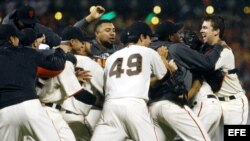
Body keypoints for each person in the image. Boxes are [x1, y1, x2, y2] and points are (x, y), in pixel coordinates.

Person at [91, 21, 176, 141]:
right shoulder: (149, 52)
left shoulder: (111, 57)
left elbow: (106, 86)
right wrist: (166, 63)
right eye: (149, 38)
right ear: (142, 37)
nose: (151, 42)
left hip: (110, 107)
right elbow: (164, 76)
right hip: (134, 106)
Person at [0, 24, 68, 141]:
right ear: (11, 39)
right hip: (29, 106)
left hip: (3, 111)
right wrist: (61, 51)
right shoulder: (26, 52)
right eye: (17, 37)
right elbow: (56, 66)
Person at [149, 21, 212, 141]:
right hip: (171, 104)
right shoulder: (176, 47)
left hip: (151, 107)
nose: (179, 36)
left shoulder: (147, 49)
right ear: (171, 36)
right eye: (177, 33)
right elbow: (207, 64)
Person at [199, 15, 249, 141]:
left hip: (235, 105)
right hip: (216, 105)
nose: (201, 30)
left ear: (216, 31)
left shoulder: (224, 51)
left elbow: (205, 66)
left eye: (205, 27)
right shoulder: (205, 49)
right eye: (201, 27)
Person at [181, 30, 222, 140]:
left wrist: (183, 100)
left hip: (203, 105)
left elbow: (196, 85)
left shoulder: (191, 60)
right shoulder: (199, 57)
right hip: (211, 105)